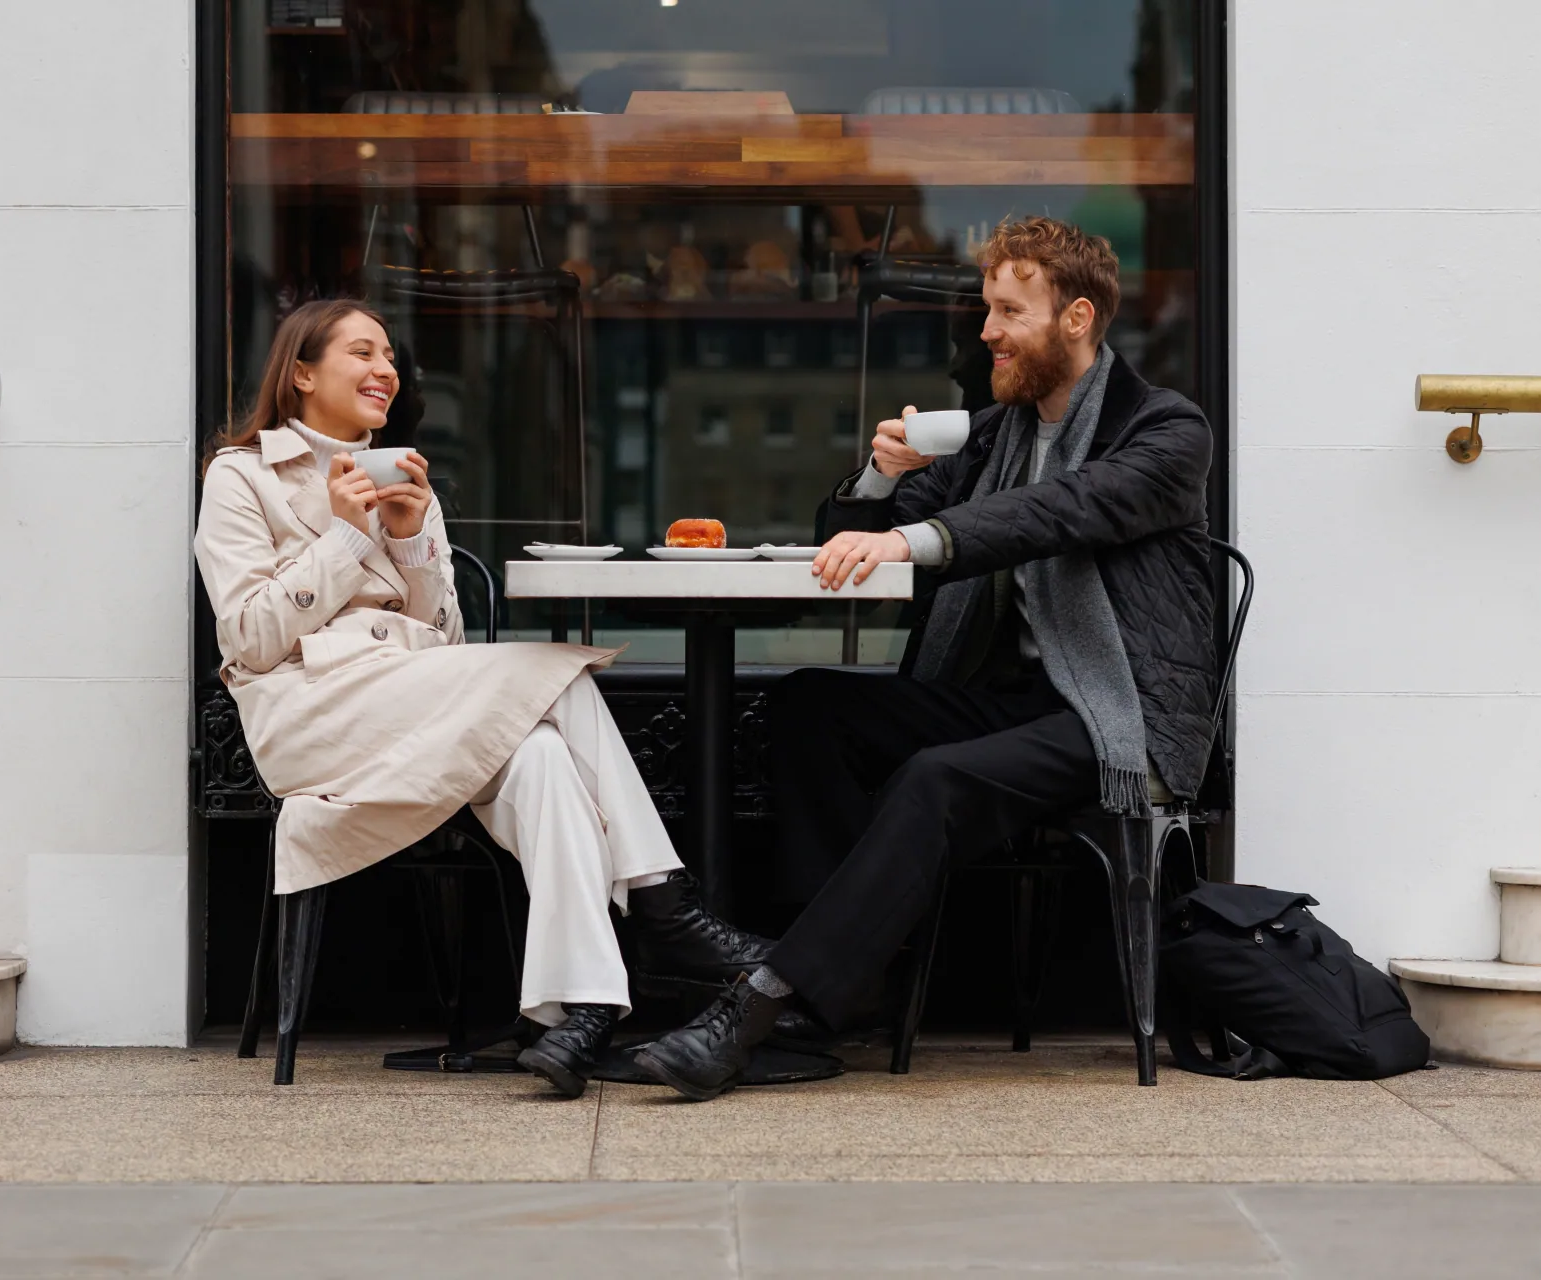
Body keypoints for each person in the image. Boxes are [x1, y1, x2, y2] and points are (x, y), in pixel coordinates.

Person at [635, 218, 1217, 1100]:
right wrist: (878, 479)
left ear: (1076, 317)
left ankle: (761, 1002)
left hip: (1118, 716)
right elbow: (841, 544)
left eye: (1007, 311)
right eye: (987, 309)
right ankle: (841, 974)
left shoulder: (1165, 431)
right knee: (809, 708)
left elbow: (1058, 513)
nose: (984, 331)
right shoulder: (993, 436)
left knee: (935, 778)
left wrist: (921, 535)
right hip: (1012, 699)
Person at [194, 299, 772, 1099]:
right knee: (558, 670)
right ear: (301, 372)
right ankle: (664, 906)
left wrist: (408, 536)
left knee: (539, 757)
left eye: (390, 355)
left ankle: (579, 1013)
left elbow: (446, 639)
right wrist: (349, 537)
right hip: (315, 718)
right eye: (362, 352)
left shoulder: (404, 479)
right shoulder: (243, 474)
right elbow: (250, 639)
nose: (385, 370)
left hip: (417, 708)